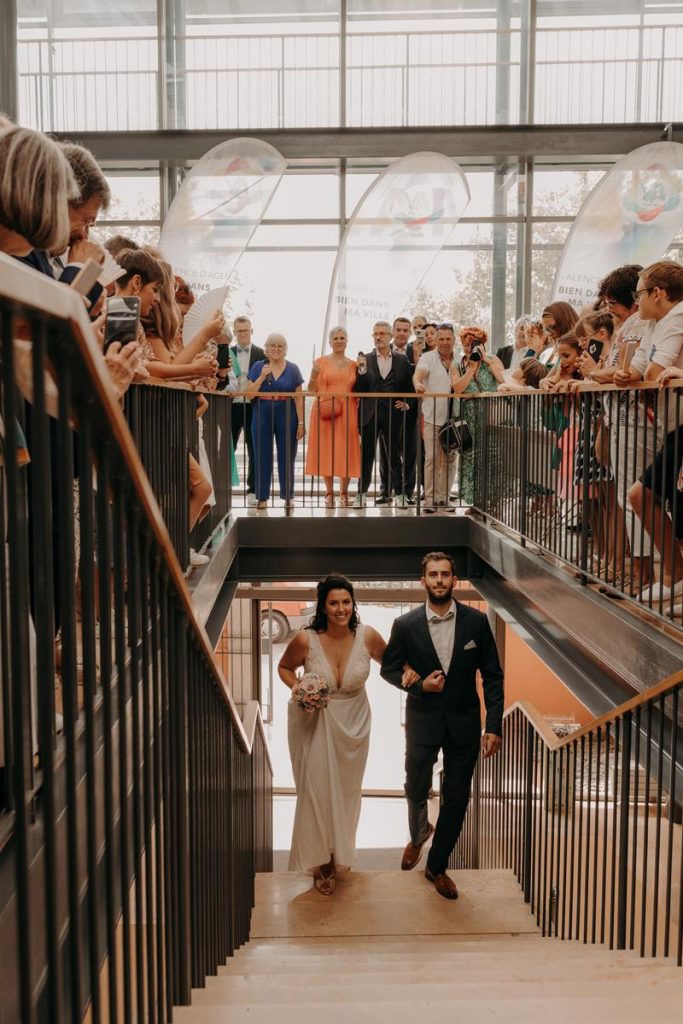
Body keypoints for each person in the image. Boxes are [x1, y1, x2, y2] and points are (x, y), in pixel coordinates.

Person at [381, 552, 504, 900]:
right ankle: (419, 834)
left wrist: (493, 725)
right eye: (433, 575)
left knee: (457, 798)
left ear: (454, 580)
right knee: (415, 786)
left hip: (465, 724)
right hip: (422, 721)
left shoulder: (477, 623)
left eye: (445, 574)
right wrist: (418, 686)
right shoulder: (405, 625)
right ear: (423, 580)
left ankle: (437, 866)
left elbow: (492, 676)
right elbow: (388, 669)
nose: (439, 580)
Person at [278, 574, 388, 893]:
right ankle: (322, 861)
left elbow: (394, 664)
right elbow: (284, 669)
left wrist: (415, 676)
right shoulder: (305, 639)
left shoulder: (368, 637)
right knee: (317, 791)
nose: (341, 609)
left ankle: (339, 851)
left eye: (346, 602)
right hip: (314, 721)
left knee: (346, 794)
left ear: (353, 604)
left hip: (355, 725)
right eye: (333, 603)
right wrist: (301, 688)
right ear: (323, 606)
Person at [618, 261, 683, 605]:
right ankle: (676, 575)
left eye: (640, 293)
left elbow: (654, 369)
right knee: (641, 495)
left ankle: (676, 574)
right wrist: (625, 374)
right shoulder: (656, 322)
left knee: (640, 495)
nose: (637, 300)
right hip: (674, 425)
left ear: (658, 293)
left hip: (680, 424)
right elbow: (635, 369)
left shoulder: (677, 317)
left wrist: (635, 372)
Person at [352, 320, 416, 507]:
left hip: (392, 415)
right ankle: (361, 494)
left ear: (390, 336)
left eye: (382, 334)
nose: (378, 337)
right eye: (375, 334)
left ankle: (400, 495)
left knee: (394, 456)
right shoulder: (365, 358)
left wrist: (407, 404)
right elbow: (359, 389)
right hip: (369, 414)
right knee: (367, 456)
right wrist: (361, 371)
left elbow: (409, 388)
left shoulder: (401, 359)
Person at [246, 333, 304, 509]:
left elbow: (299, 398)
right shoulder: (258, 366)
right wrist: (262, 377)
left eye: (280, 346)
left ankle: (288, 496)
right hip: (262, 412)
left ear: (285, 350)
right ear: (267, 349)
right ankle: (262, 497)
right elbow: (249, 395)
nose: (276, 349)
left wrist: (301, 422)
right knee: (261, 454)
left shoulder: (293, 368)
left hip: (287, 412)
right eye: (273, 346)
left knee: (287, 455)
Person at [305, 326, 360, 507]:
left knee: (347, 450)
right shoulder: (319, 362)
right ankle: (329, 493)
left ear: (347, 341)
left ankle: (344, 493)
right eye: (335, 338)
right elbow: (312, 389)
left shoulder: (354, 364)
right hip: (325, 409)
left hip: (348, 411)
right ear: (330, 342)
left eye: (342, 338)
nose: (339, 341)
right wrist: (313, 375)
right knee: (326, 449)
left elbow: (358, 388)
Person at [451, 326, 505, 506]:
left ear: (482, 345)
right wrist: (470, 369)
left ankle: (495, 503)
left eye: (473, 345)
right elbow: (458, 389)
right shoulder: (457, 365)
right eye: (466, 345)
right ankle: (475, 504)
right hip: (470, 418)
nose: (469, 349)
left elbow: (503, 381)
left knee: (494, 458)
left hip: (492, 415)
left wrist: (487, 361)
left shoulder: (493, 359)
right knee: (471, 459)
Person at [413, 322, 458, 513]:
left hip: (454, 419)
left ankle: (443, 499)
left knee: (450, 460)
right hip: (432, 417)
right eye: (441, 339)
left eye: (448, 339)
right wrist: (417, 383)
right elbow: (419, 374)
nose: (445, 342)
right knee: (431, 458)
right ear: (436, 340)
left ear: (454, 340)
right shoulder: (428, 357)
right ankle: (429, 500)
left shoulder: (460, 360)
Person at [230, 316, 265, 505]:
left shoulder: (261, 353)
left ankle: (253, 490)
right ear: (234, 332)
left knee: (254, 448)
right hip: (231, 406)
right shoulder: (227, 353)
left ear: (251, 331)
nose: (242, 333)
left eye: (245, 330)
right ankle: (224, 488)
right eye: (239, 330)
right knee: (229, 448)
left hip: (253, 406)